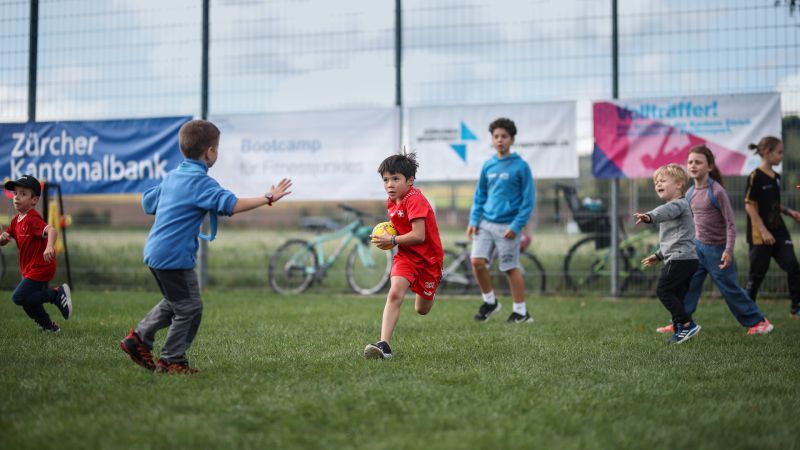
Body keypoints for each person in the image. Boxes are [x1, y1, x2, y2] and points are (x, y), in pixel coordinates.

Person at [119, 119, 292, 374]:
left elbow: (148, 203)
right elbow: (230, 205)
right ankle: (171, 360)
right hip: (174, 257)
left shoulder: (173, 177)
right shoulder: (201, 182)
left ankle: (139, 339)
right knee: (190, 308)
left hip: (155, 252)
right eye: (217, 148)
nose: (217, 153)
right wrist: (268, 197)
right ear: (210, 152)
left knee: (176, 302)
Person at [655, 145, 773, 335]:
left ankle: (759, 321)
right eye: (690, 162)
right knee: (688, 286)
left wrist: (728, 250)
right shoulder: (690, 192)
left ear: (709, 166)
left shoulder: (717, 191)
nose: (693, 165)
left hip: (717, 251)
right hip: (696, 249)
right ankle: (681, 322)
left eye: (698, 162)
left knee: (730, 288)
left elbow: (731, 224)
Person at [365, 151, 443, 359]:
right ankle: (384, 346)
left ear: (410, 181)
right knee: (395, 293)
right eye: (385, 180)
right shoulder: (392, 201)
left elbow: (419, 235)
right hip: (406, 256)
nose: (390, 184)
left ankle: (430, 289)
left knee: (422, 309)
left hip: (429, 261)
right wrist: (387, 234)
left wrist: (390, 240)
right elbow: (401, 229)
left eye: (395, 179)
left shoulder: (415, 200)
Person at [468, 117, 535, 323]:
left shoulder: (521, 166)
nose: (499, 140)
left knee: (509, 268)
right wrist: (473, 220)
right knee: (477, 261)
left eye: (504, 136)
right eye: (496, 136)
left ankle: (521, 312)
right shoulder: (488, 165)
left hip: (509, 226)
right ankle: (490, 302)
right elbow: (480, 195)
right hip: (486, 223)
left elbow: (528, 200)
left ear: (512, 139)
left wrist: (517, 225)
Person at [634, 164, 701, 344]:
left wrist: (649, 216)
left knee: (663, 290)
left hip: (680, 259)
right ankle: (680, 328)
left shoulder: (677, 204)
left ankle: (686, 325)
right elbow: (675, 238)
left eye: (663, 180)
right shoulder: (677, 207)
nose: (658, 184)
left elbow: (663, 212)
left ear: (679, 184)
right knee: (676, 295)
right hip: (686, 258)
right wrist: (658, 255)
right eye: (656, 181)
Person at [1, 175, 72, 332]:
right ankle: (49, 326)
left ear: (34, 200)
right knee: (27, 301)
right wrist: (2, 237)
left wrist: (49, 247)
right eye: (15, 193)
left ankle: (55, 294)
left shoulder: (32, 219)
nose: (17, 197)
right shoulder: (15, 220)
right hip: (29, 269)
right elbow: (4, 240)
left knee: (18, 297)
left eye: (23, 194)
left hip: (42, 266)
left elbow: (52, 230)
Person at [743, 136, 800, 318]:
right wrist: (763, 230)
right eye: (779, 152)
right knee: (757, 274)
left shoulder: (776, 177)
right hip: (761, 234)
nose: (781, 156)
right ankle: (747, 312)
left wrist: (790, 212)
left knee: (792, 265)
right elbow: (749, 205)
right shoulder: (755, 176)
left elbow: (773, 203)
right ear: (767, 153)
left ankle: (796, 308)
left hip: (779, 229)